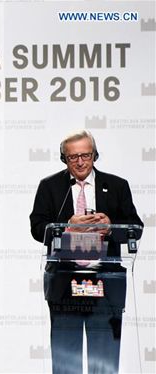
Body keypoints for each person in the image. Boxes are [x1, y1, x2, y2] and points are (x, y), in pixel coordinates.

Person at [29, 130, 143, 374]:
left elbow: (136, 228)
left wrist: (110, 227)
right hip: (64, 282)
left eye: (86, 155)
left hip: (105, 282)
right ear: (64, 159)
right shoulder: (49, 187)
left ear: (95, 155)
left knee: (103, 360)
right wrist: (66, 227)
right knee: (66, 358)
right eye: (73, 157)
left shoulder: (116, 186)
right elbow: (37, 228)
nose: (80, 162)